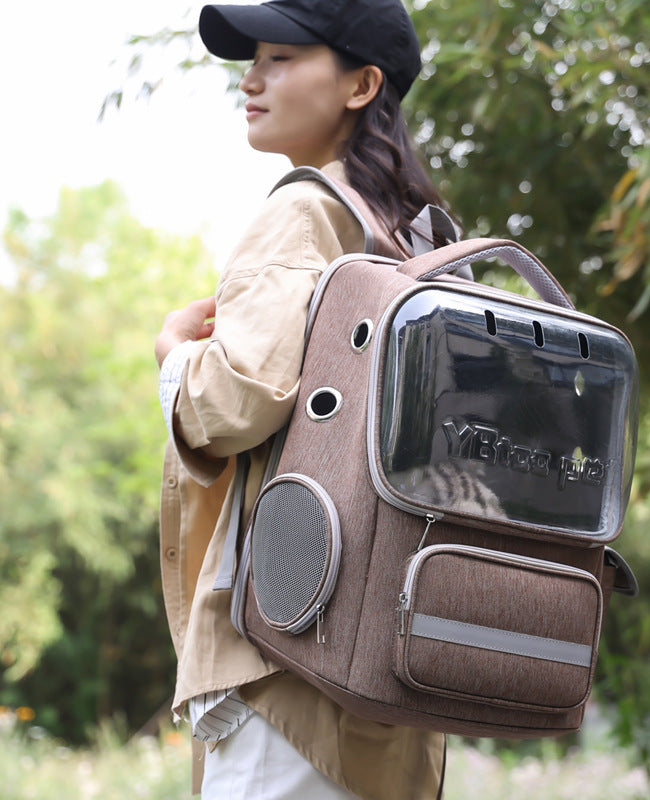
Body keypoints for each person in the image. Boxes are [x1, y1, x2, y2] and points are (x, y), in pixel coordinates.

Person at [154, 1, 451, 797]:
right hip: (391, 673)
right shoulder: (422, 240)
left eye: (280, 58)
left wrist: (175, 357)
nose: (250, 80)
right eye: (253, 60)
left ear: (361, 84)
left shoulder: (303, 210)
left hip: (288, 667)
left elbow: (237, 403)